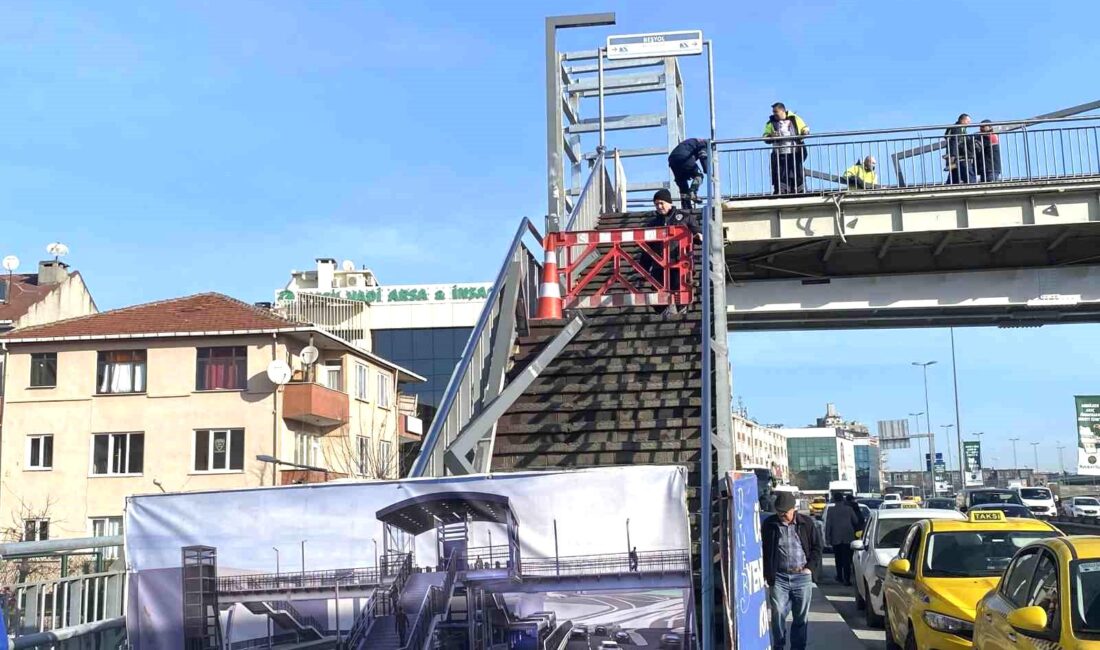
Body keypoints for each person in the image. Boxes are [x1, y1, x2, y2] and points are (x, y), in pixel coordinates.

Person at [762, 491, 822, 650]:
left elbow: (817, 548)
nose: (782, 515)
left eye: (785, 512)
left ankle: (798, 647)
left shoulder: (806, 523)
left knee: (800, 617)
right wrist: (767, 573)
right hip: (780, 577)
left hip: (802, 576)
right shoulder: (769, 525)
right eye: (779, 512)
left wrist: (810, 568)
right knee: (778, 613)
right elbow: (764, 550)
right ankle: (779, 645)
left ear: (793, 509)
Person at [643, 189, 702, 316]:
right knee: (657, 298)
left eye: (661, 203)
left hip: (680, 263)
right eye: (656, 204)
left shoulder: (686, 218)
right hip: (659, 266)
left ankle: (681, 313)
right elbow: (647, 248)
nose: (659, 206)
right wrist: (643, 267)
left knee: (680, 292)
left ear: (669, 202)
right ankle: (666, 314)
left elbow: (698, 234)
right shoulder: (652, 224)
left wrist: (698, 236)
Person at [763, 103, 810, 195]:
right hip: (780, 152)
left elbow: (804, 128)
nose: (774, 114)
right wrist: (771, 136)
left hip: (795, 151)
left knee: (797, 171)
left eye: (776, 112)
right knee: (781, 172)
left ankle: (799, 190)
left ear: (783, 110)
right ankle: (782, 191)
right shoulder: (770, 123)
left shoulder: (795, 119)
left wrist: (805, 131)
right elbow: (765, 136)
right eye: (773, 112)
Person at [825, 494, 860, 586]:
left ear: (834, 500)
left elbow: (828, 525)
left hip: (835, 537)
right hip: (848, 537)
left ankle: (839, 576)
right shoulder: (849, 509)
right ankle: (847, 579)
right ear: (843, 500)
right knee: (847, 559)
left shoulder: (831, 510)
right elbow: (855, 521)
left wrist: (827, 538)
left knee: (838, 558)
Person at [668, 138, 709, 209]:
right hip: (684, 156)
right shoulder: (704, 143)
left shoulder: (691, 142)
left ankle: (686, 207)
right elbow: (703, 155)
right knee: (699, 175)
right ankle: (693, 192)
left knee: (683, 183)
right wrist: (707, 170)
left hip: (672, 159)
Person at [945, 113, 979, 185]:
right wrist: (953, 156)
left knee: (954, 176)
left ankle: (949, 186)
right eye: (968, 121)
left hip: (957, 156)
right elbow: (954, 141)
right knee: (969, 176)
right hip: (960, 156)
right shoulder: (957, 128)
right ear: (962, 120)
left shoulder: (957, 128)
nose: (969, 123)